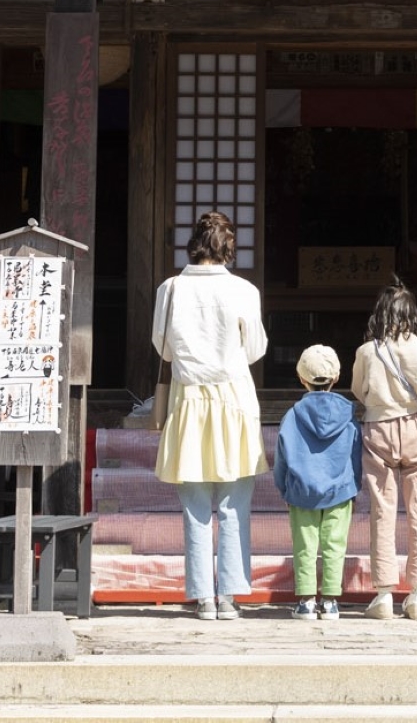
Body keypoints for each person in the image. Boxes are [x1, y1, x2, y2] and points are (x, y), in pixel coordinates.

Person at [152, 209, 266, 620]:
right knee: (236, 503)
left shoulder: (170, 289)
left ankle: (202, 595)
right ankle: (230, 596)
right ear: (228, 247)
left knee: (195, 505)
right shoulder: (243, 291)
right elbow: (255, 351)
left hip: (189, 400)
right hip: (234, 397)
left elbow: (162, 349)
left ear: (193, 244)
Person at [350, 280, 417, 621]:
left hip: (379, 427)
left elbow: (359, 390)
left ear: (381, 315)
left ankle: (384, 593)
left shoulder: (366, 352)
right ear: (413, 315)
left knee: (382, 510)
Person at [276, 343, 363, 621]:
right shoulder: (348, 416)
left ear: (302, 378)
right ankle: (331, 601)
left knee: (305, 544)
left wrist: (284, 487)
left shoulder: (292, 416)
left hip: (302, 491)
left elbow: (282, 456)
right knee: (335, 544)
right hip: (340, 489)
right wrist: (354, 487)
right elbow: (356, 453)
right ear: (336, 378)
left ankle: (305, 600)